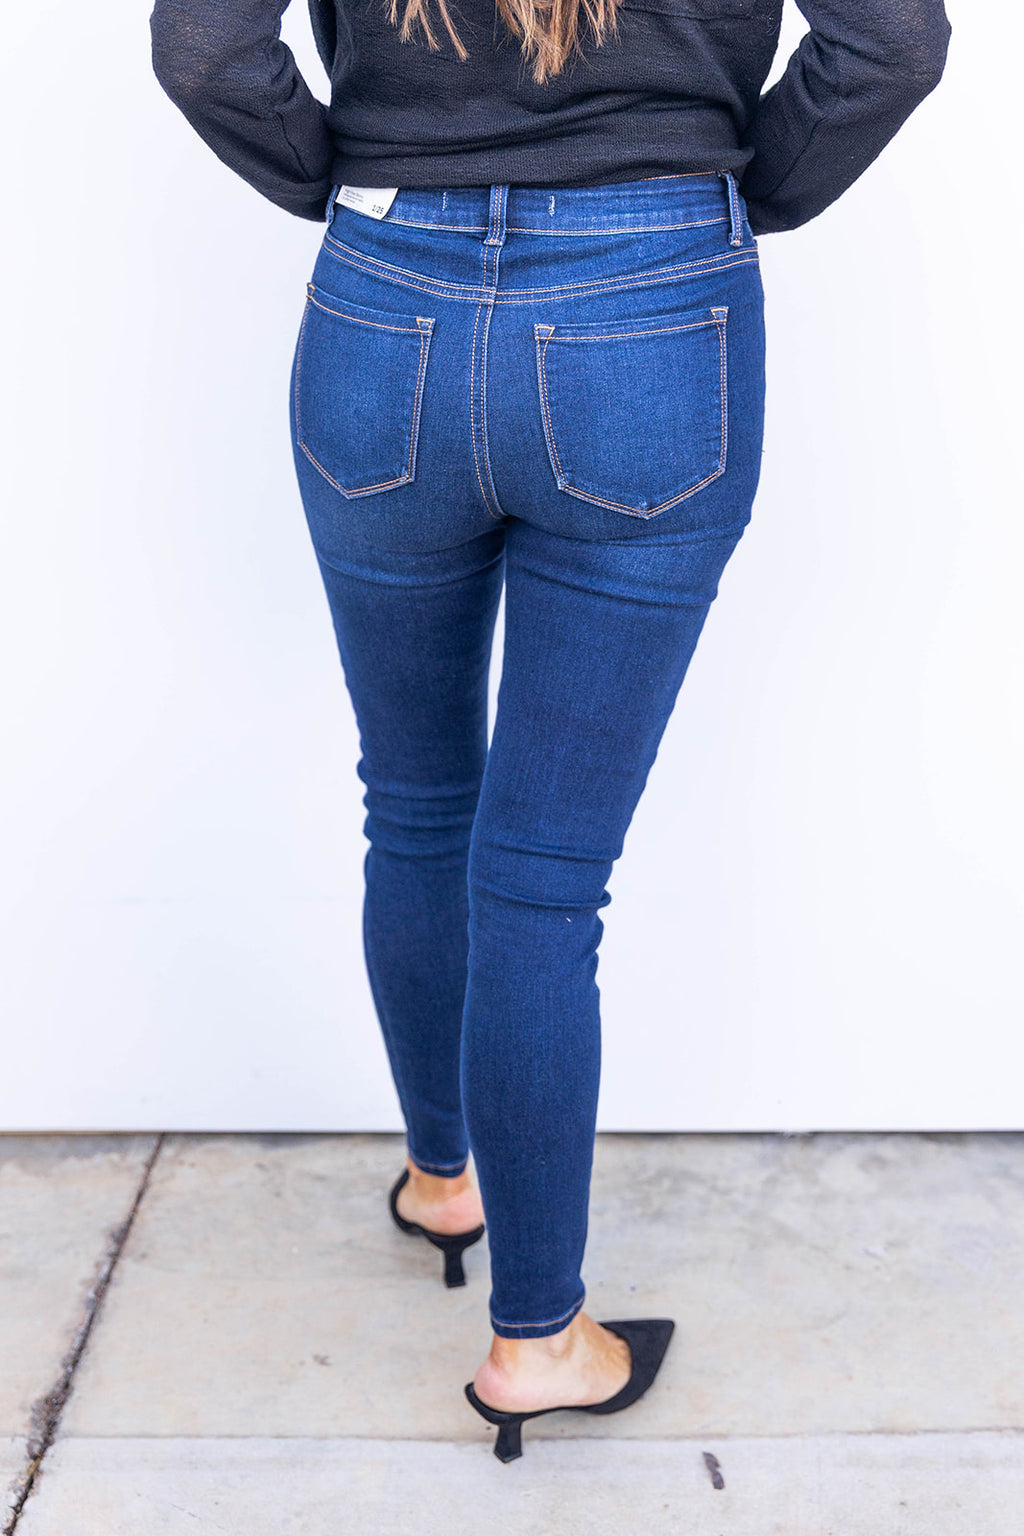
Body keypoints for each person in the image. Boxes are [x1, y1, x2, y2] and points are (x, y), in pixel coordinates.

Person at [149, 0, 951, 1462]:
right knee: (539, 881)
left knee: (415, 804)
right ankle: (537, 1340)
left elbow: (203, 48)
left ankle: (445, 1182)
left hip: (384, 298)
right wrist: (730, 186)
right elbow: (892, 40)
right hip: (654, 305)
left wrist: (358, 170)